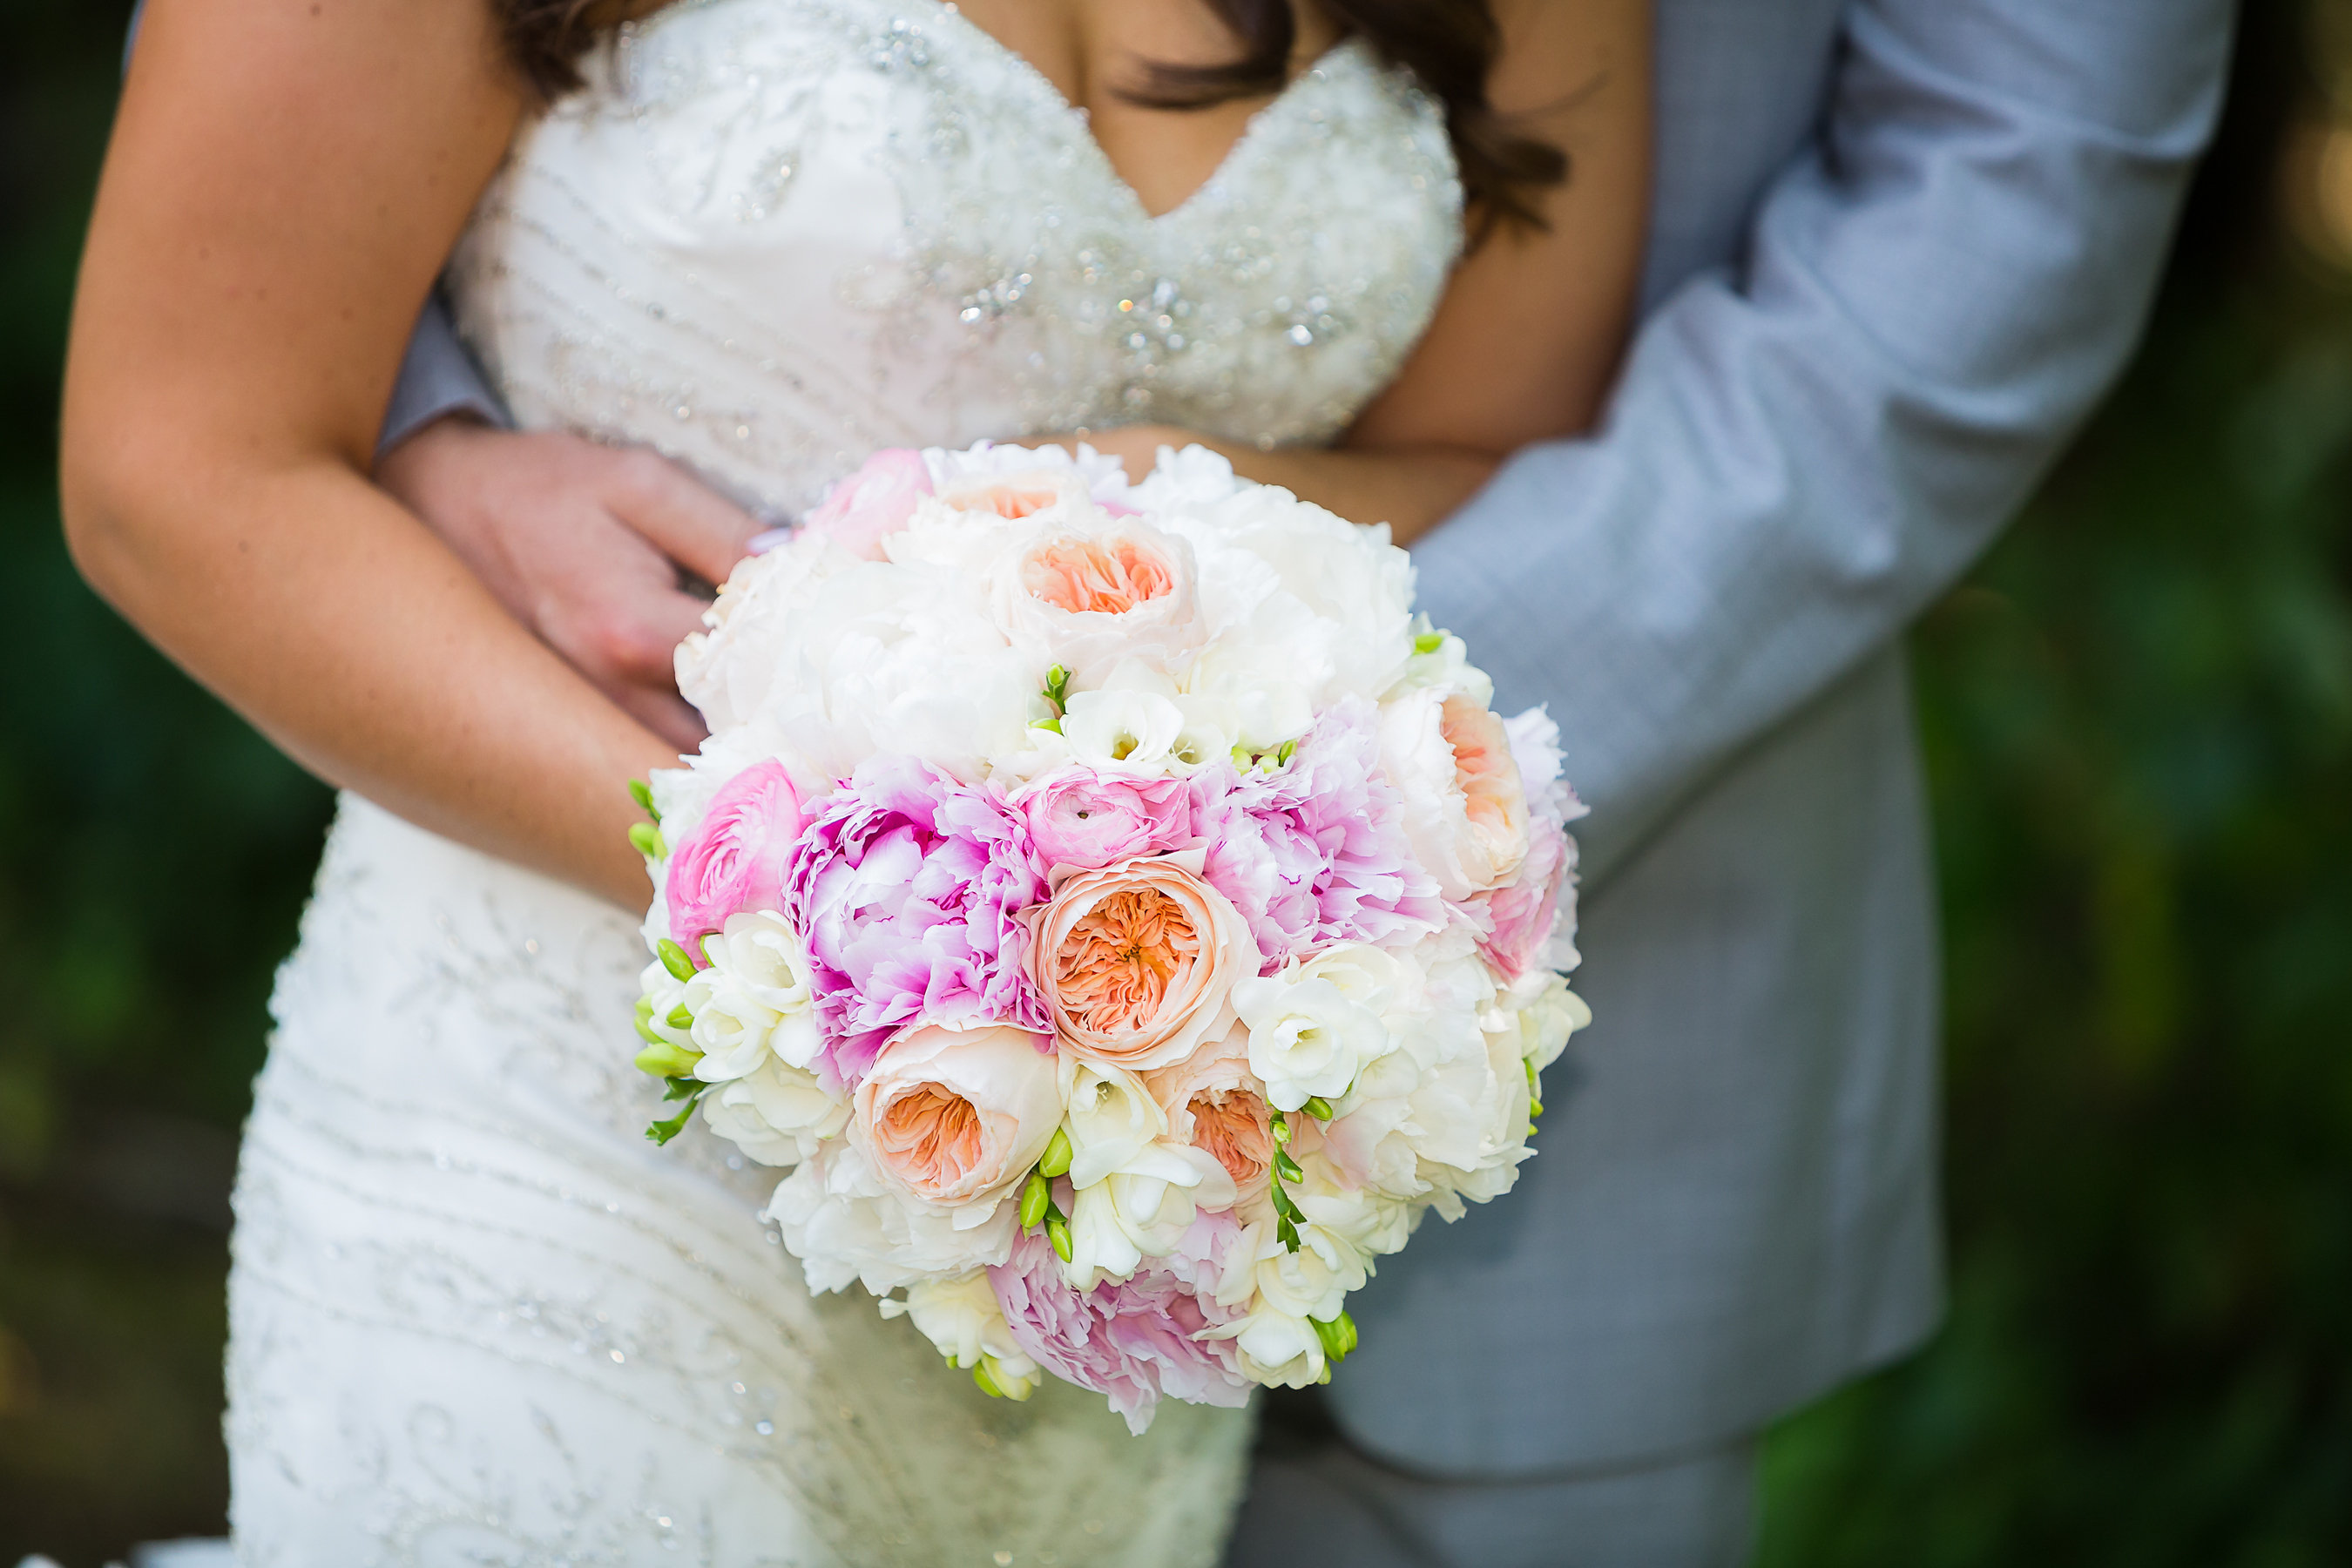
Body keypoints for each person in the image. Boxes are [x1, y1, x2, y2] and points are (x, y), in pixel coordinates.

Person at [338, 2, 2243, 1565]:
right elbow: (250, 301)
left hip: (1608, 1048)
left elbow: (2023, 192)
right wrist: (398, 429)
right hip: (587, 1085)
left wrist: (1321, 793)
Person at [59, 0, 1649, 1560]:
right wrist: (801, 905)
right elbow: (180, 466)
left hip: (1128, 1182)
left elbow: (1498, 449)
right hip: (558, 1093)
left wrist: (1153, 540)